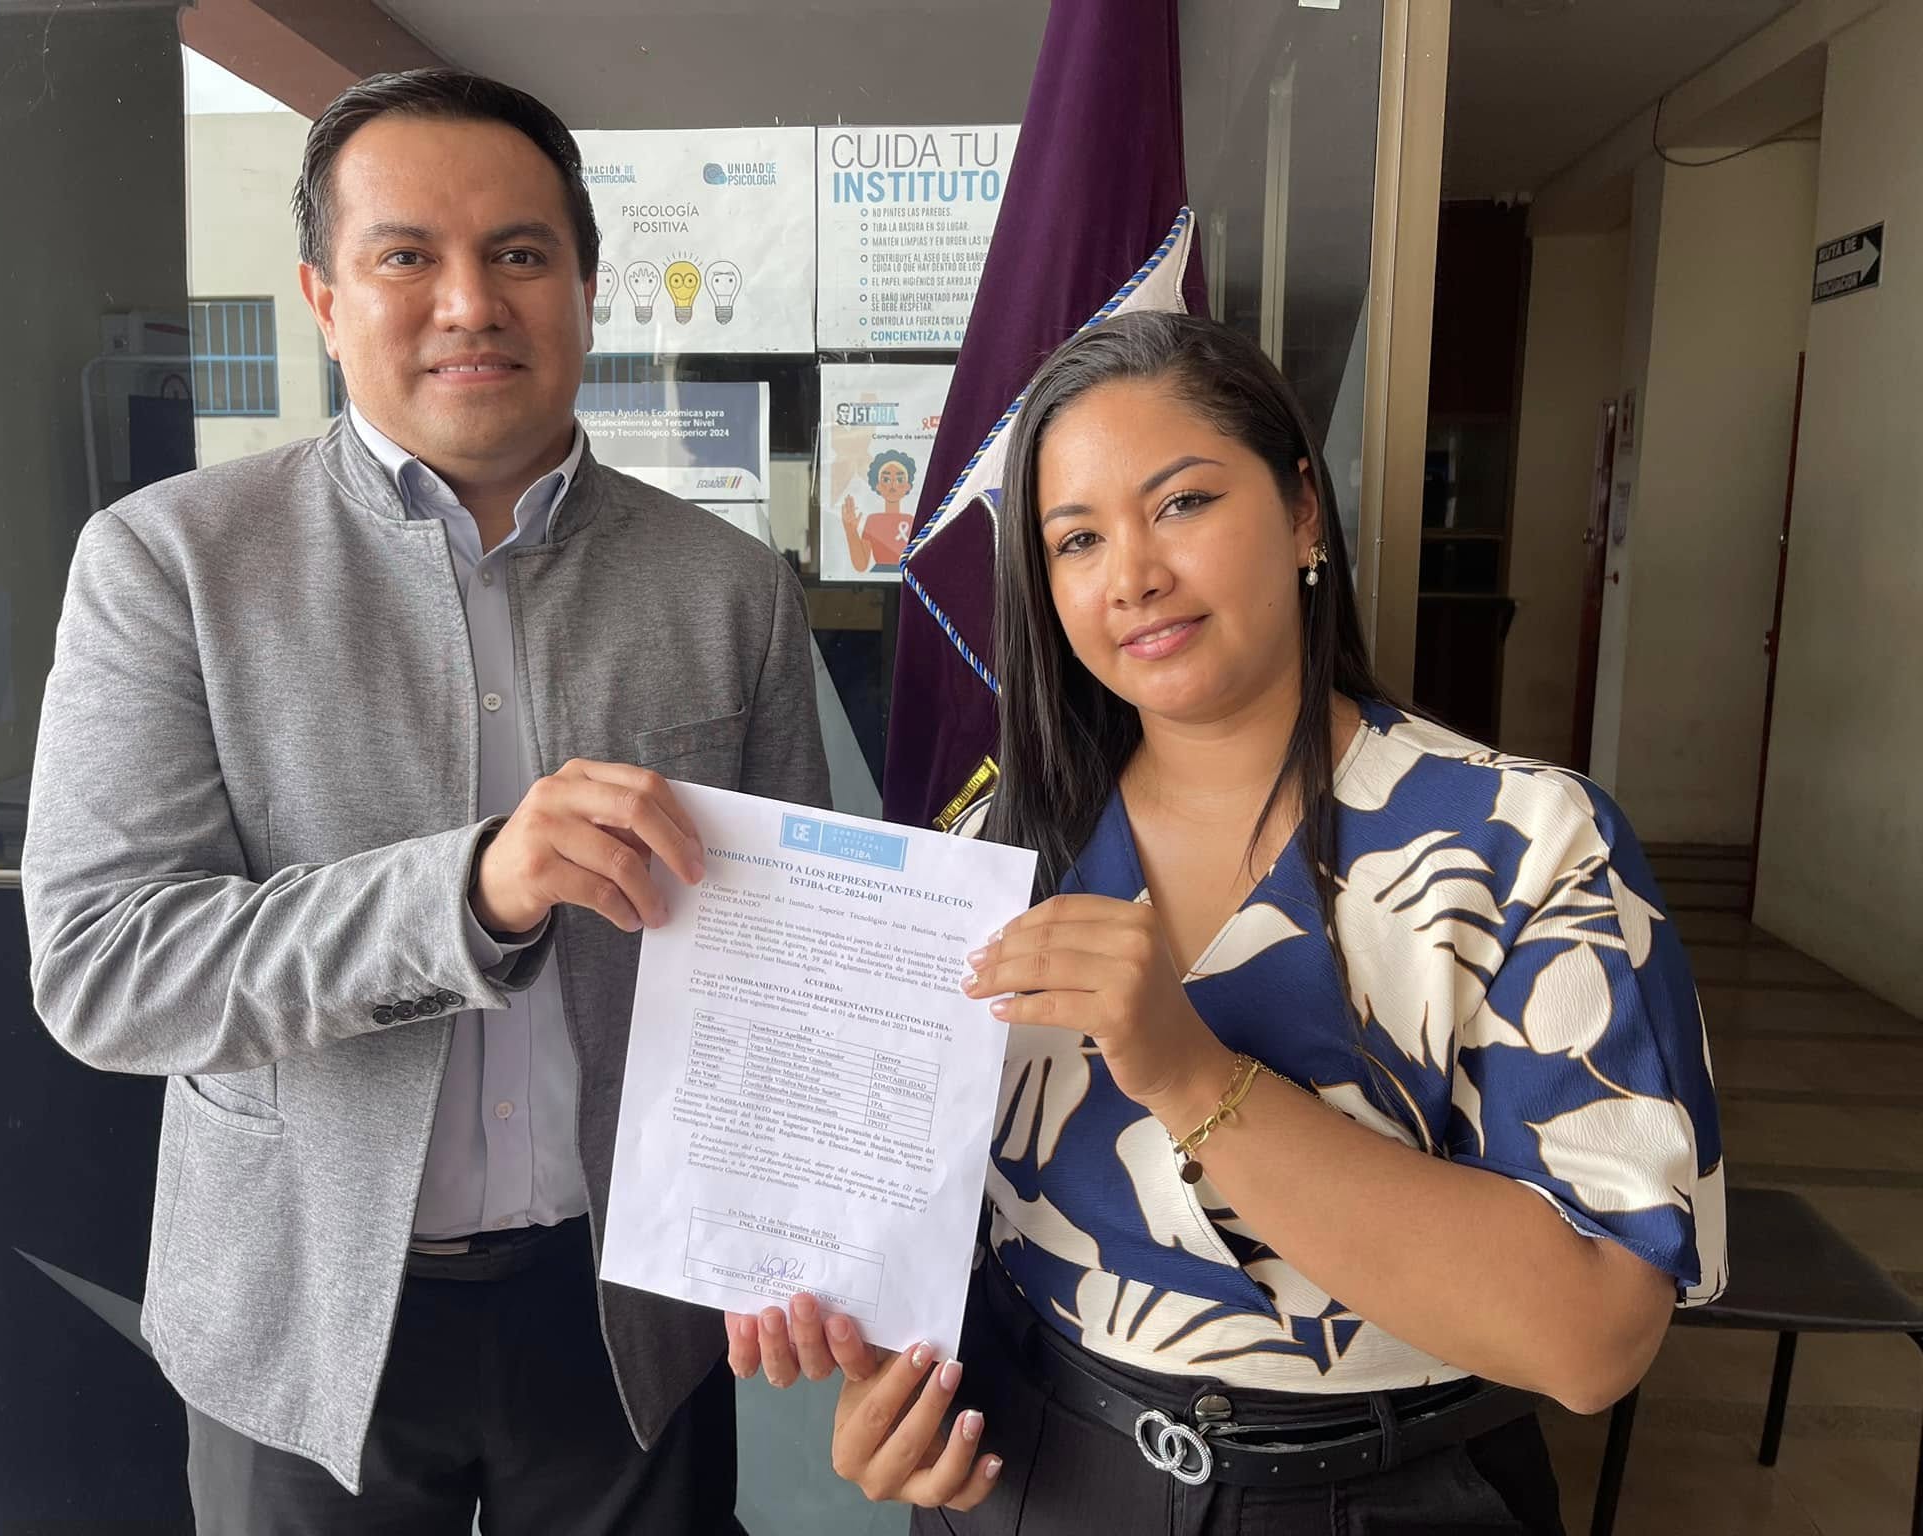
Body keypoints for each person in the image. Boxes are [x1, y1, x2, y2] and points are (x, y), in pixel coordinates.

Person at [739, 312, 1724, 1533]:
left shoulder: (1521, 841)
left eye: (1182, 503)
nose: (1131, 575)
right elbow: (942, 1214)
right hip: (1037, 1474)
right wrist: (897, 1381)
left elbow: (1593, 1337)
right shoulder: (999, 842)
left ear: (1303, 510)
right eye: (1076, 539)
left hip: (1381, 1495)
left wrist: (1194, 1076)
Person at [22, 68, 826, 1534]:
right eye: (407, 256)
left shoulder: (727, 588)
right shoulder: (170, 563)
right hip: (301, 1309)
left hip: (622, 1314)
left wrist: (808, 1228)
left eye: (519, 253)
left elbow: (780, 978)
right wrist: (470, 893)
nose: (470, 302)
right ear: (325, 301)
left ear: (584, 289)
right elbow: (106, 969)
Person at [841, 447, 919, 573]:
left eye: (899, 480)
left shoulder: (911, 520)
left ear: (907, 486)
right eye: (886, 480)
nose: (893, 485)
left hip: (906, 575)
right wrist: (851, 531)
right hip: (878, 574)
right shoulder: (873, 520)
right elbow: (861, 565)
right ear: (878, 486)